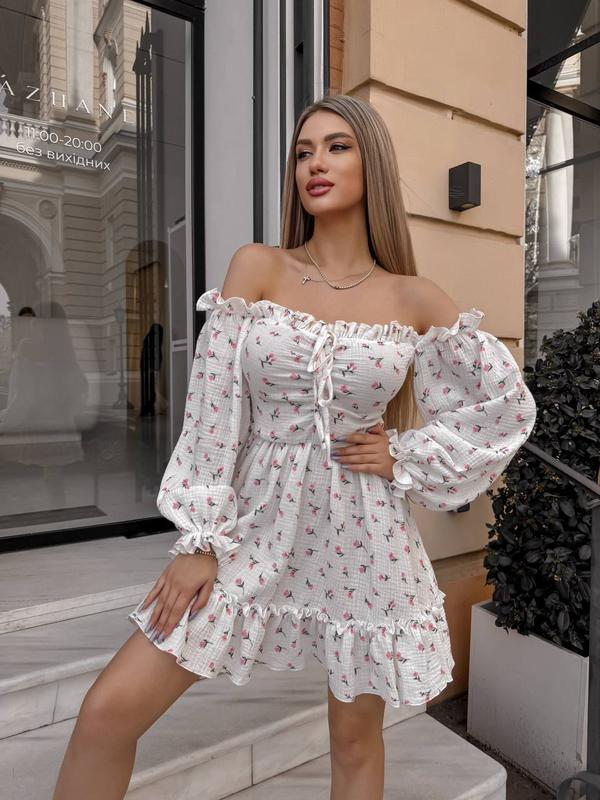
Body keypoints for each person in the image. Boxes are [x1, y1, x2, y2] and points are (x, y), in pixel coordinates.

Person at [52, 94, 537, 800]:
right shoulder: (259, 268)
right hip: (250, 526)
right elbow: (213, 415)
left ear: (372, 163)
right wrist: (200, 541)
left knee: (355, 744)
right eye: (304, 151)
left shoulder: (413, 298)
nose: (315, 163)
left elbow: (503, 408)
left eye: (337, 147)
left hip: (364, 536)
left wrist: (404, 455)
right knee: (107, 712)